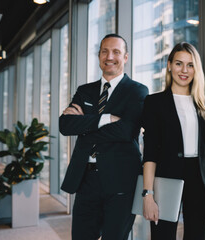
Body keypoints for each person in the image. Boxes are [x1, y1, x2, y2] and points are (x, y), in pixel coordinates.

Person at [59, 34, 148, 240]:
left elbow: (126, 131)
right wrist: (105, 118)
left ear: (125, 57)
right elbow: (65, 125)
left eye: (116, 52)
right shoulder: (85, 91)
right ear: (99, 55)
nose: (110, 56)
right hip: (86, 178)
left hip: (120, 179)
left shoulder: (137, 91)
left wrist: (85, 124)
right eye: (105, 51)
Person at [142, 42, 205, 240]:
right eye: (179, 63)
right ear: (169, 65)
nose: (184, 70)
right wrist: (148, 194)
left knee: (198, 236)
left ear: (197, 69)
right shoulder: (154, 102)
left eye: (190, 65)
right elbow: (150, 151)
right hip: (166, 177)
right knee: (162, 236)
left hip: (200, 180)